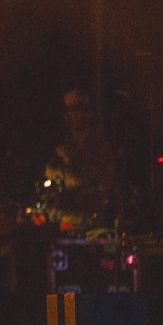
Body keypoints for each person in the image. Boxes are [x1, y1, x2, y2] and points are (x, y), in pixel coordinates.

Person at [43, 88, 118, 229]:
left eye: (84, 111)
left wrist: (72, 162)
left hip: (92, 224)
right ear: (67, 116)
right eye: (74, 111)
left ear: (90, 114)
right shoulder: (60, 151)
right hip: (66, 223)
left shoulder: (102, 148)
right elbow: (50, 187)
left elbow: (102, 188)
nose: (79, 115)